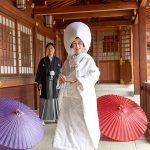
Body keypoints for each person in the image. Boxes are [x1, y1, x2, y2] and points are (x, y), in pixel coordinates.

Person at [53, 22, 101, 150]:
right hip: (69, 97)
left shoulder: (88, 59)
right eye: (74, 43)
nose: (77, 46)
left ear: (84, 44)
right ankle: (69, 146)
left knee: (83, 123)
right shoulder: (68, 60)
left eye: (80, 43)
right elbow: (62, 74)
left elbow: (95, 74)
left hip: (82, 96)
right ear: (71, 44)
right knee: (69, 124)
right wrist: (61, 78)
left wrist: (81, 81)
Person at [35, 42, 62, 124]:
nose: (50, 50)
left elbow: (62, 72)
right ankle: (42, 119)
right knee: (44, 100)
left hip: (55, 83)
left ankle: (57, 118)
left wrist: (56, 75)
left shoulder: (58, 60)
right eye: (48, 48)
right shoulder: (43, 60)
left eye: (51, 48)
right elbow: (39, 72)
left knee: (55, 100)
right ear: (46, 50)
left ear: (54, 50)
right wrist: (39, 82)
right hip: (45, 83)